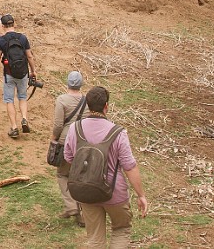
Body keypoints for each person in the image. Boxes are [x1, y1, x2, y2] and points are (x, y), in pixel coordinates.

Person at [63, 86, 149, 248]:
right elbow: (129, 167)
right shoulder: (118, 132)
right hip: (114, 194)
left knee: (95, 238)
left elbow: (68, 158)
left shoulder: (75, 128)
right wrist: (141, 195)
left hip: (85, 191)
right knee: (121, 229)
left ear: (87, 105)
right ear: (106, 106)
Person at [50, 71, 87, 226]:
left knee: (62, 175)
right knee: (79, 177)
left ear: (67, 83)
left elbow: (58, 124)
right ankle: (82, 215)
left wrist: (53, 138)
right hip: (84, 142)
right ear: (81, 84)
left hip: (66, 141)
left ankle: (72, 207)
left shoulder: (62, 99)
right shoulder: (87, 100)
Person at [0, 14, 37, 138]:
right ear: (14, 24)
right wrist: (33, 71)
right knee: (22, 97)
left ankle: (14, 127)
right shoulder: (23, 38)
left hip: (9, 73)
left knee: (9, 100)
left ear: (2, 26)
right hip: (23, 73)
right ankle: (24, 118)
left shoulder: (1, 40)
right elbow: (29, 56)